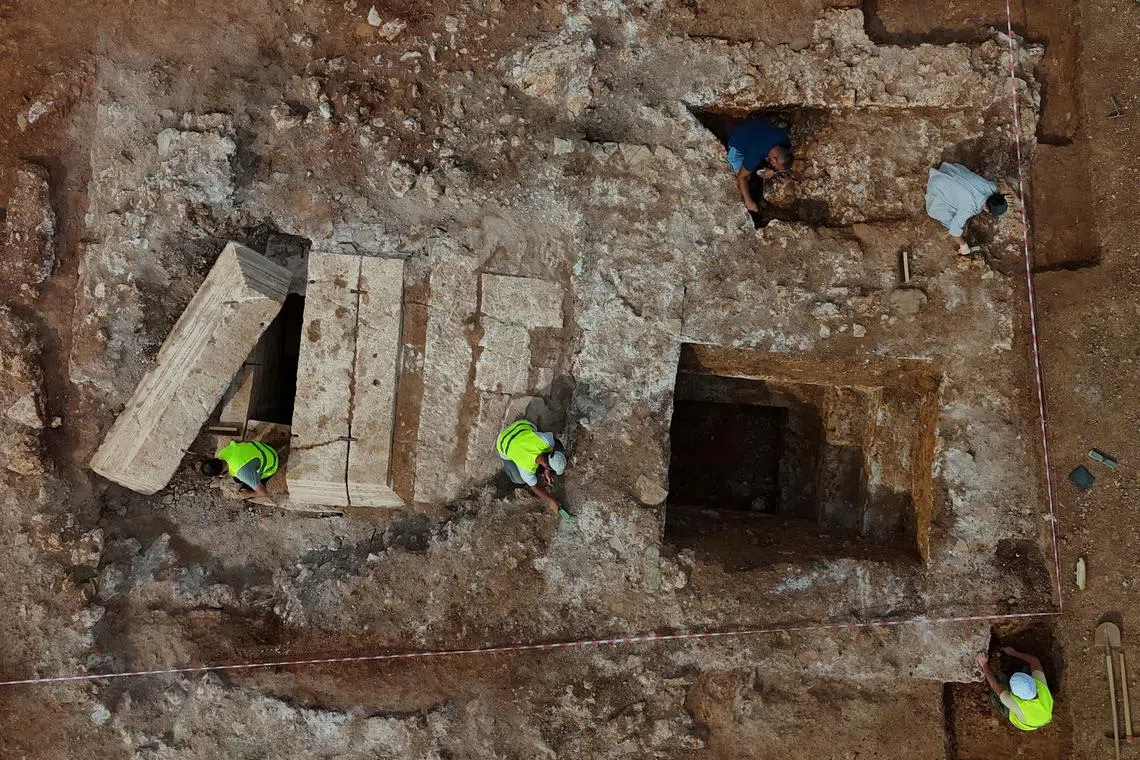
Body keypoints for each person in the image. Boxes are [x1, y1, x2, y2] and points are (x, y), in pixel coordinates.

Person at [925, 162, 1008, 255]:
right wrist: (963, 245)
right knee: (949, 222)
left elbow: (998, 191)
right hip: (936, 185)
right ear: (987, 210)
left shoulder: (991, 187)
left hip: (949, 170)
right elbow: (954, 231)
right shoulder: (969, 208)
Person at [495, 418, 567, 516]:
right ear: (547, 466)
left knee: (557, 445)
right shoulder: (526, 468)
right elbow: (534, 487)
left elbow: (552, 445)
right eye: (553, 471)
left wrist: (547, 470)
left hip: (521, 425)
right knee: (518, 480)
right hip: (502, 442)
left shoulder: (546, 441)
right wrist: (550, 500)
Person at [975, 647, 1054, 731]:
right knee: (1025, 667)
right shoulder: (1041, 687)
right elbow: (1034, 661)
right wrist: (1014, 653)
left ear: (1014, 693)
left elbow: (995, 686)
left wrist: (984, 664)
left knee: (998, 686)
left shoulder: (1015, 704)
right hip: (1044, 717)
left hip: (1024, 723)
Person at [725, 119, 794, 214]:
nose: (774, 168)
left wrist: (773, 170)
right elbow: (741, 177)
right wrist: (749, 201)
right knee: (745, 177)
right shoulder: (755, 155)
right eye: (775, 167)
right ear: (774, 159)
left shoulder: (785, 141)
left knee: (751, 166)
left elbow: (780, 160)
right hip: (736, 142)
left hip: (753, 128)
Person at [200, 440, 280, 501]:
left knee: (243, 490)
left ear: (220, 474)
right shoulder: (223, 453)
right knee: (237, 479)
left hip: (272, 462)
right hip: (263, 448)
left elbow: (263, 492)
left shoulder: (242, 473)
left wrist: (250, 494)